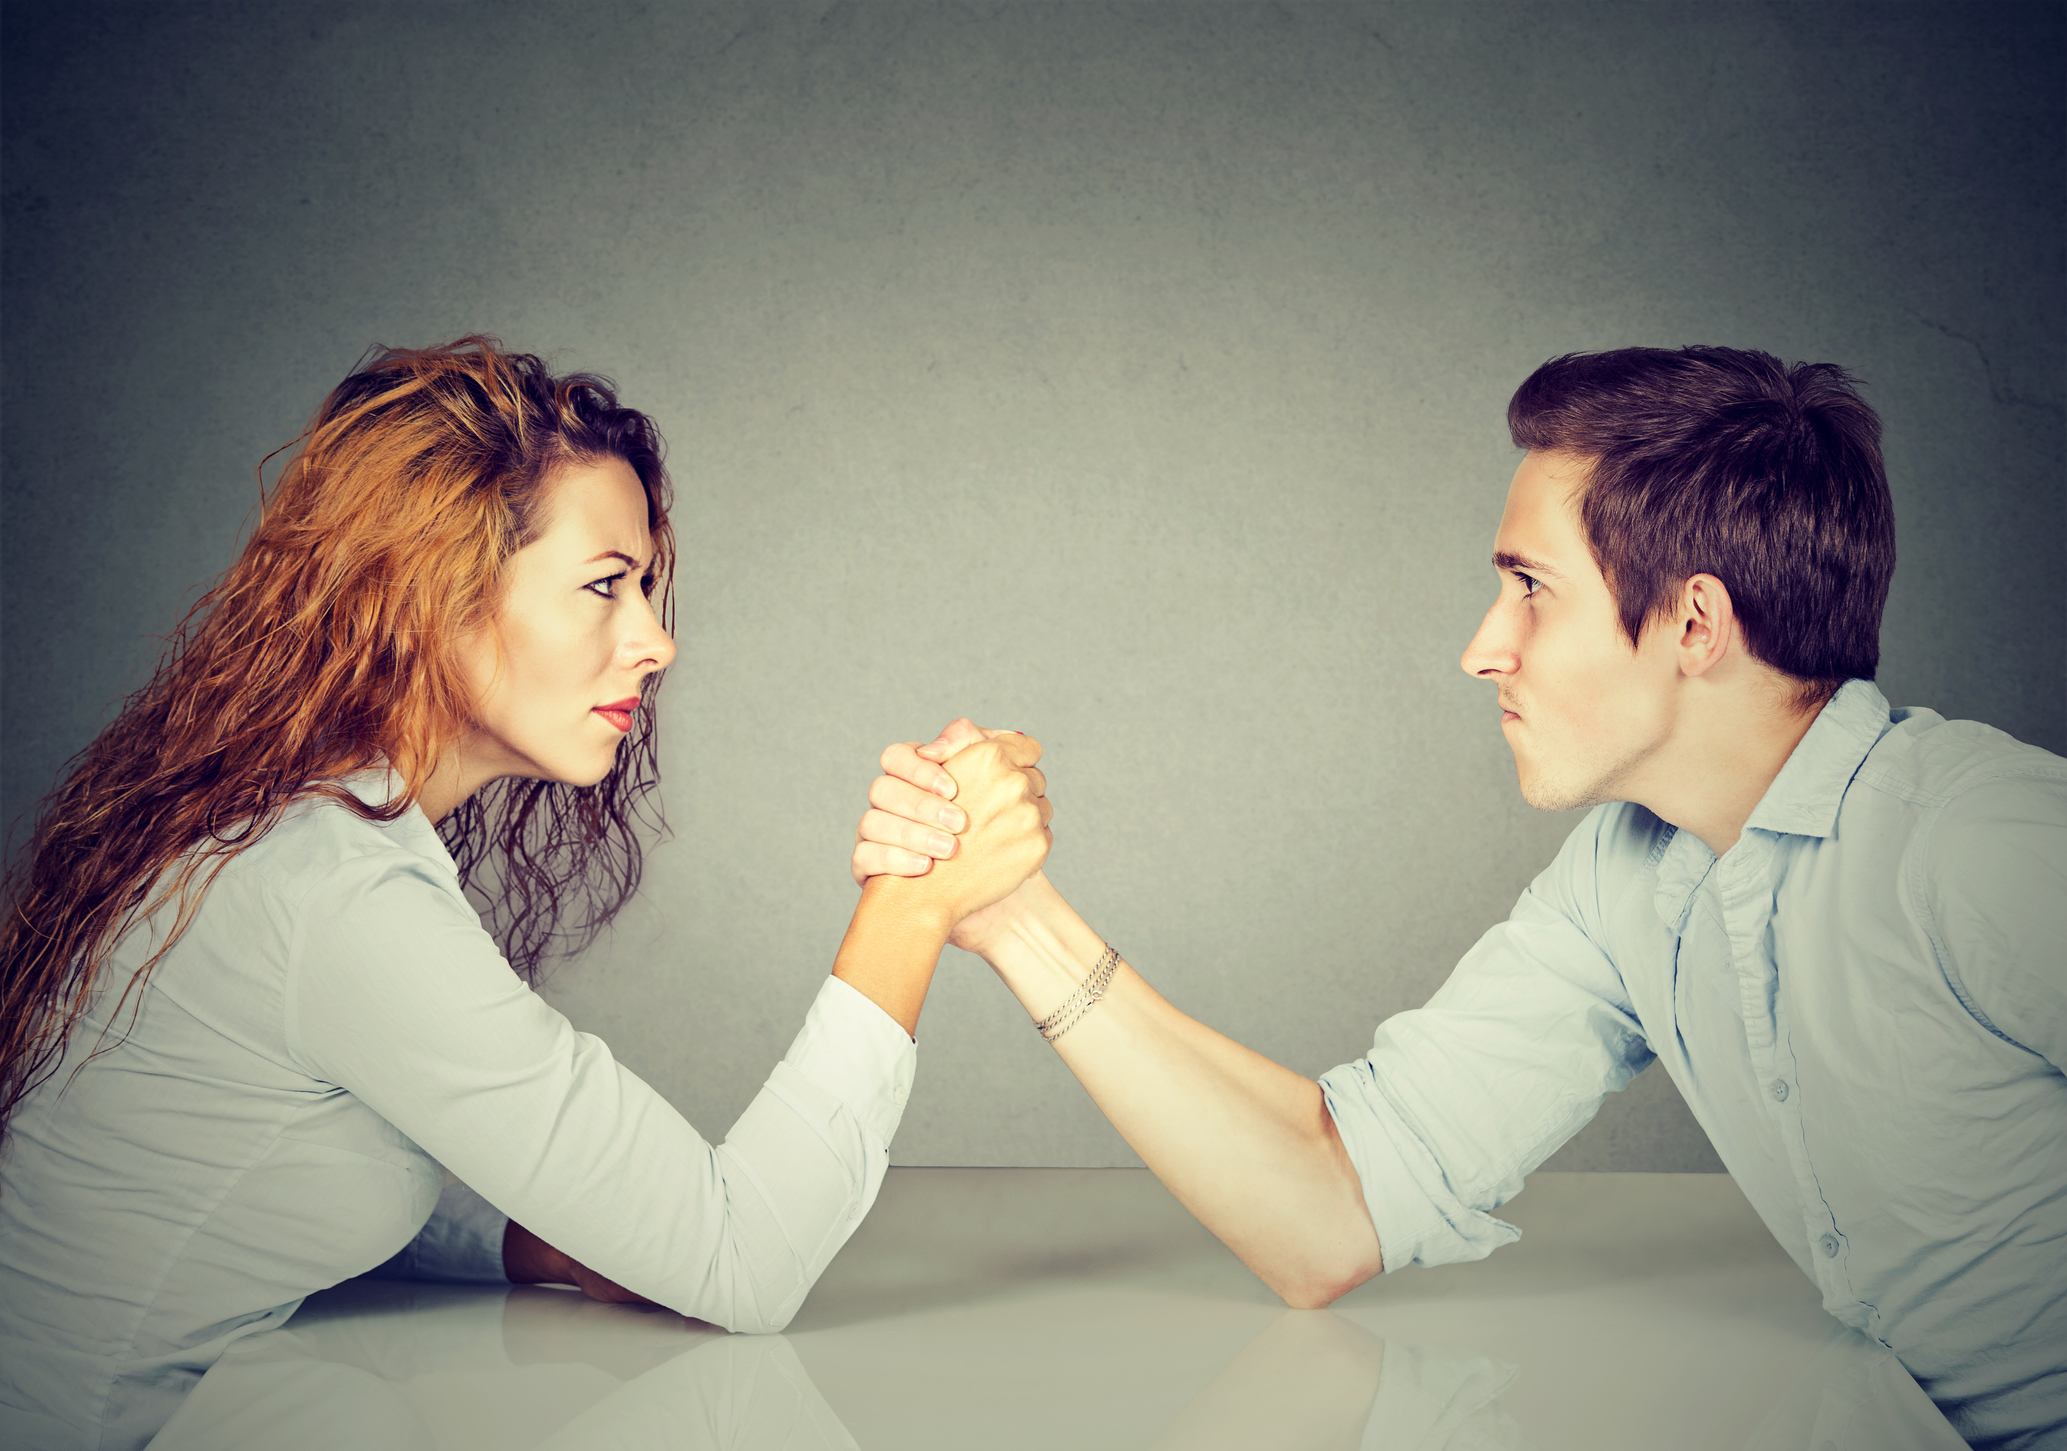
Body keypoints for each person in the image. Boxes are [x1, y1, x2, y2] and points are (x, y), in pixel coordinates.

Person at [856, 347, 2067, 1450]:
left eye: (1532, 588)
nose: (1485, 646)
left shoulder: (1982, 842)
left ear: (1695, 621)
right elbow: (1333, 1210)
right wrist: (1012, 913)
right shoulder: (1628, 878)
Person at [0, 337, 1051, 1451]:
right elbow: (746, 1255)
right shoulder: (337, 897)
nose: (656, 640)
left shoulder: (289, 837)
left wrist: (529, 1240)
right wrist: (915, 893)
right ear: (433, 593)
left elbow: (258, 1160)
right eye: (606, 584)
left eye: (645, 585)